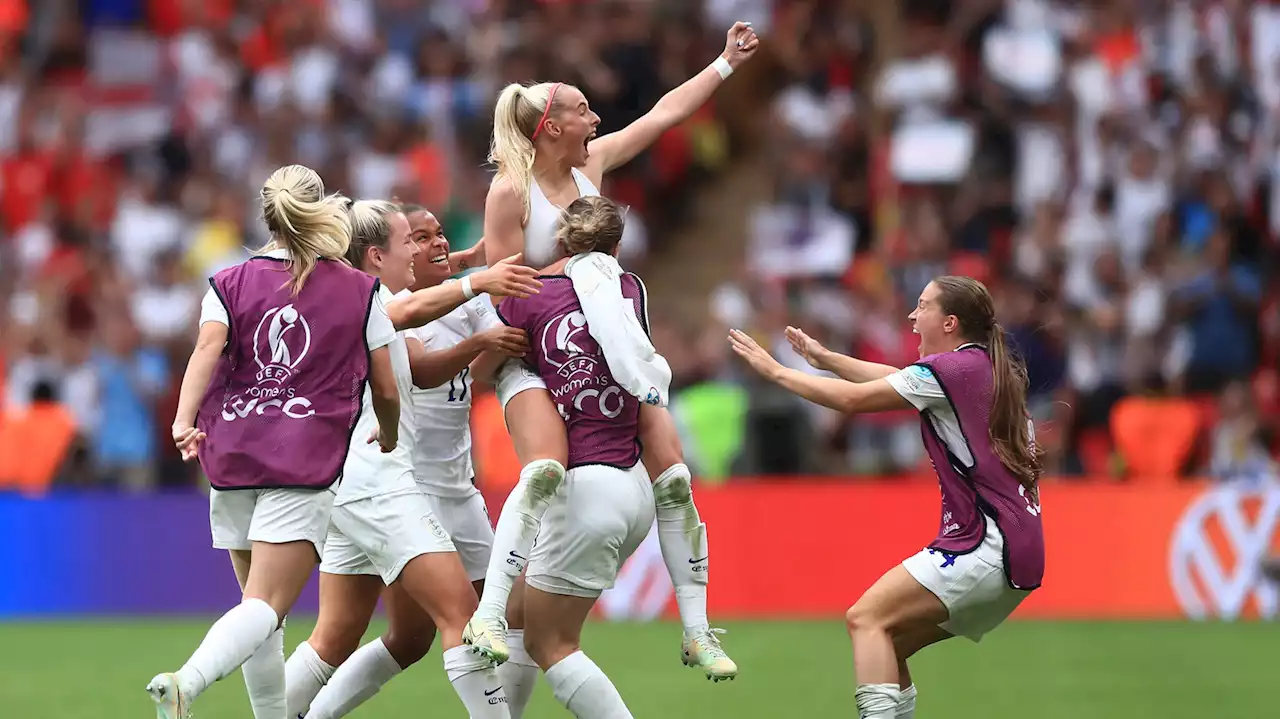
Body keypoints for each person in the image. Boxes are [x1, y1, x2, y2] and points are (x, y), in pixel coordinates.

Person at [464, 20, 761, 685]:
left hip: (603, 345)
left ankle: (695, 628)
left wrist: (725, 63)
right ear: (549, 128)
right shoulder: (510, 191)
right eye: (581, 109)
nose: (596, 117)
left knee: (676, 478)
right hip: (532, 353)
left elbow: (662, 117)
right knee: (544, 471)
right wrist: (574, 278)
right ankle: (486, 614)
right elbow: (500, 282)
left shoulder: (592, 164)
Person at [727, 276, 1046, 719]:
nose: (913, 318)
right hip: (1020, 553)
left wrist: (778, 371)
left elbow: (856, 402)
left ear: (950, 322)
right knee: (885, 641)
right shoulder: (979, 369)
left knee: (866, 618)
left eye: (922, 306)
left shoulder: (953, 371)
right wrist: (824, 358)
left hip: (986, 545)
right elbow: (898, 380)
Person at [148, 165, 396, 719]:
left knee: (261, 612)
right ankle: (186, 682)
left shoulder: (229, 281)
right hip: (303, 461)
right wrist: (393, 431)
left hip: (231, 455)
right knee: (265, 606)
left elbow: (207, 347)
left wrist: (183, 419)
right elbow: (386, 382)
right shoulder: (360, 289)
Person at [281, 200, 524, 719]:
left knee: (347, 633)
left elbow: (413, 295)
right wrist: (475, 284)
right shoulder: (369, 300)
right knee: (464, 617)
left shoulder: (340, 290)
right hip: (384, 482)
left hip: (359, 484)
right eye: (410, 241)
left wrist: (463, 266)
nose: (424, 250)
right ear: (378, 254)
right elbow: (404, 323)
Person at [491, 195, 656, 718]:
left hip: (585, 484)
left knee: (552, 643)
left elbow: (482, 367)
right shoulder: (632, 290)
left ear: (559, 238)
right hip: (635, 485)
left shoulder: (532, 293)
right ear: (617, 246)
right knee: (521, 612)